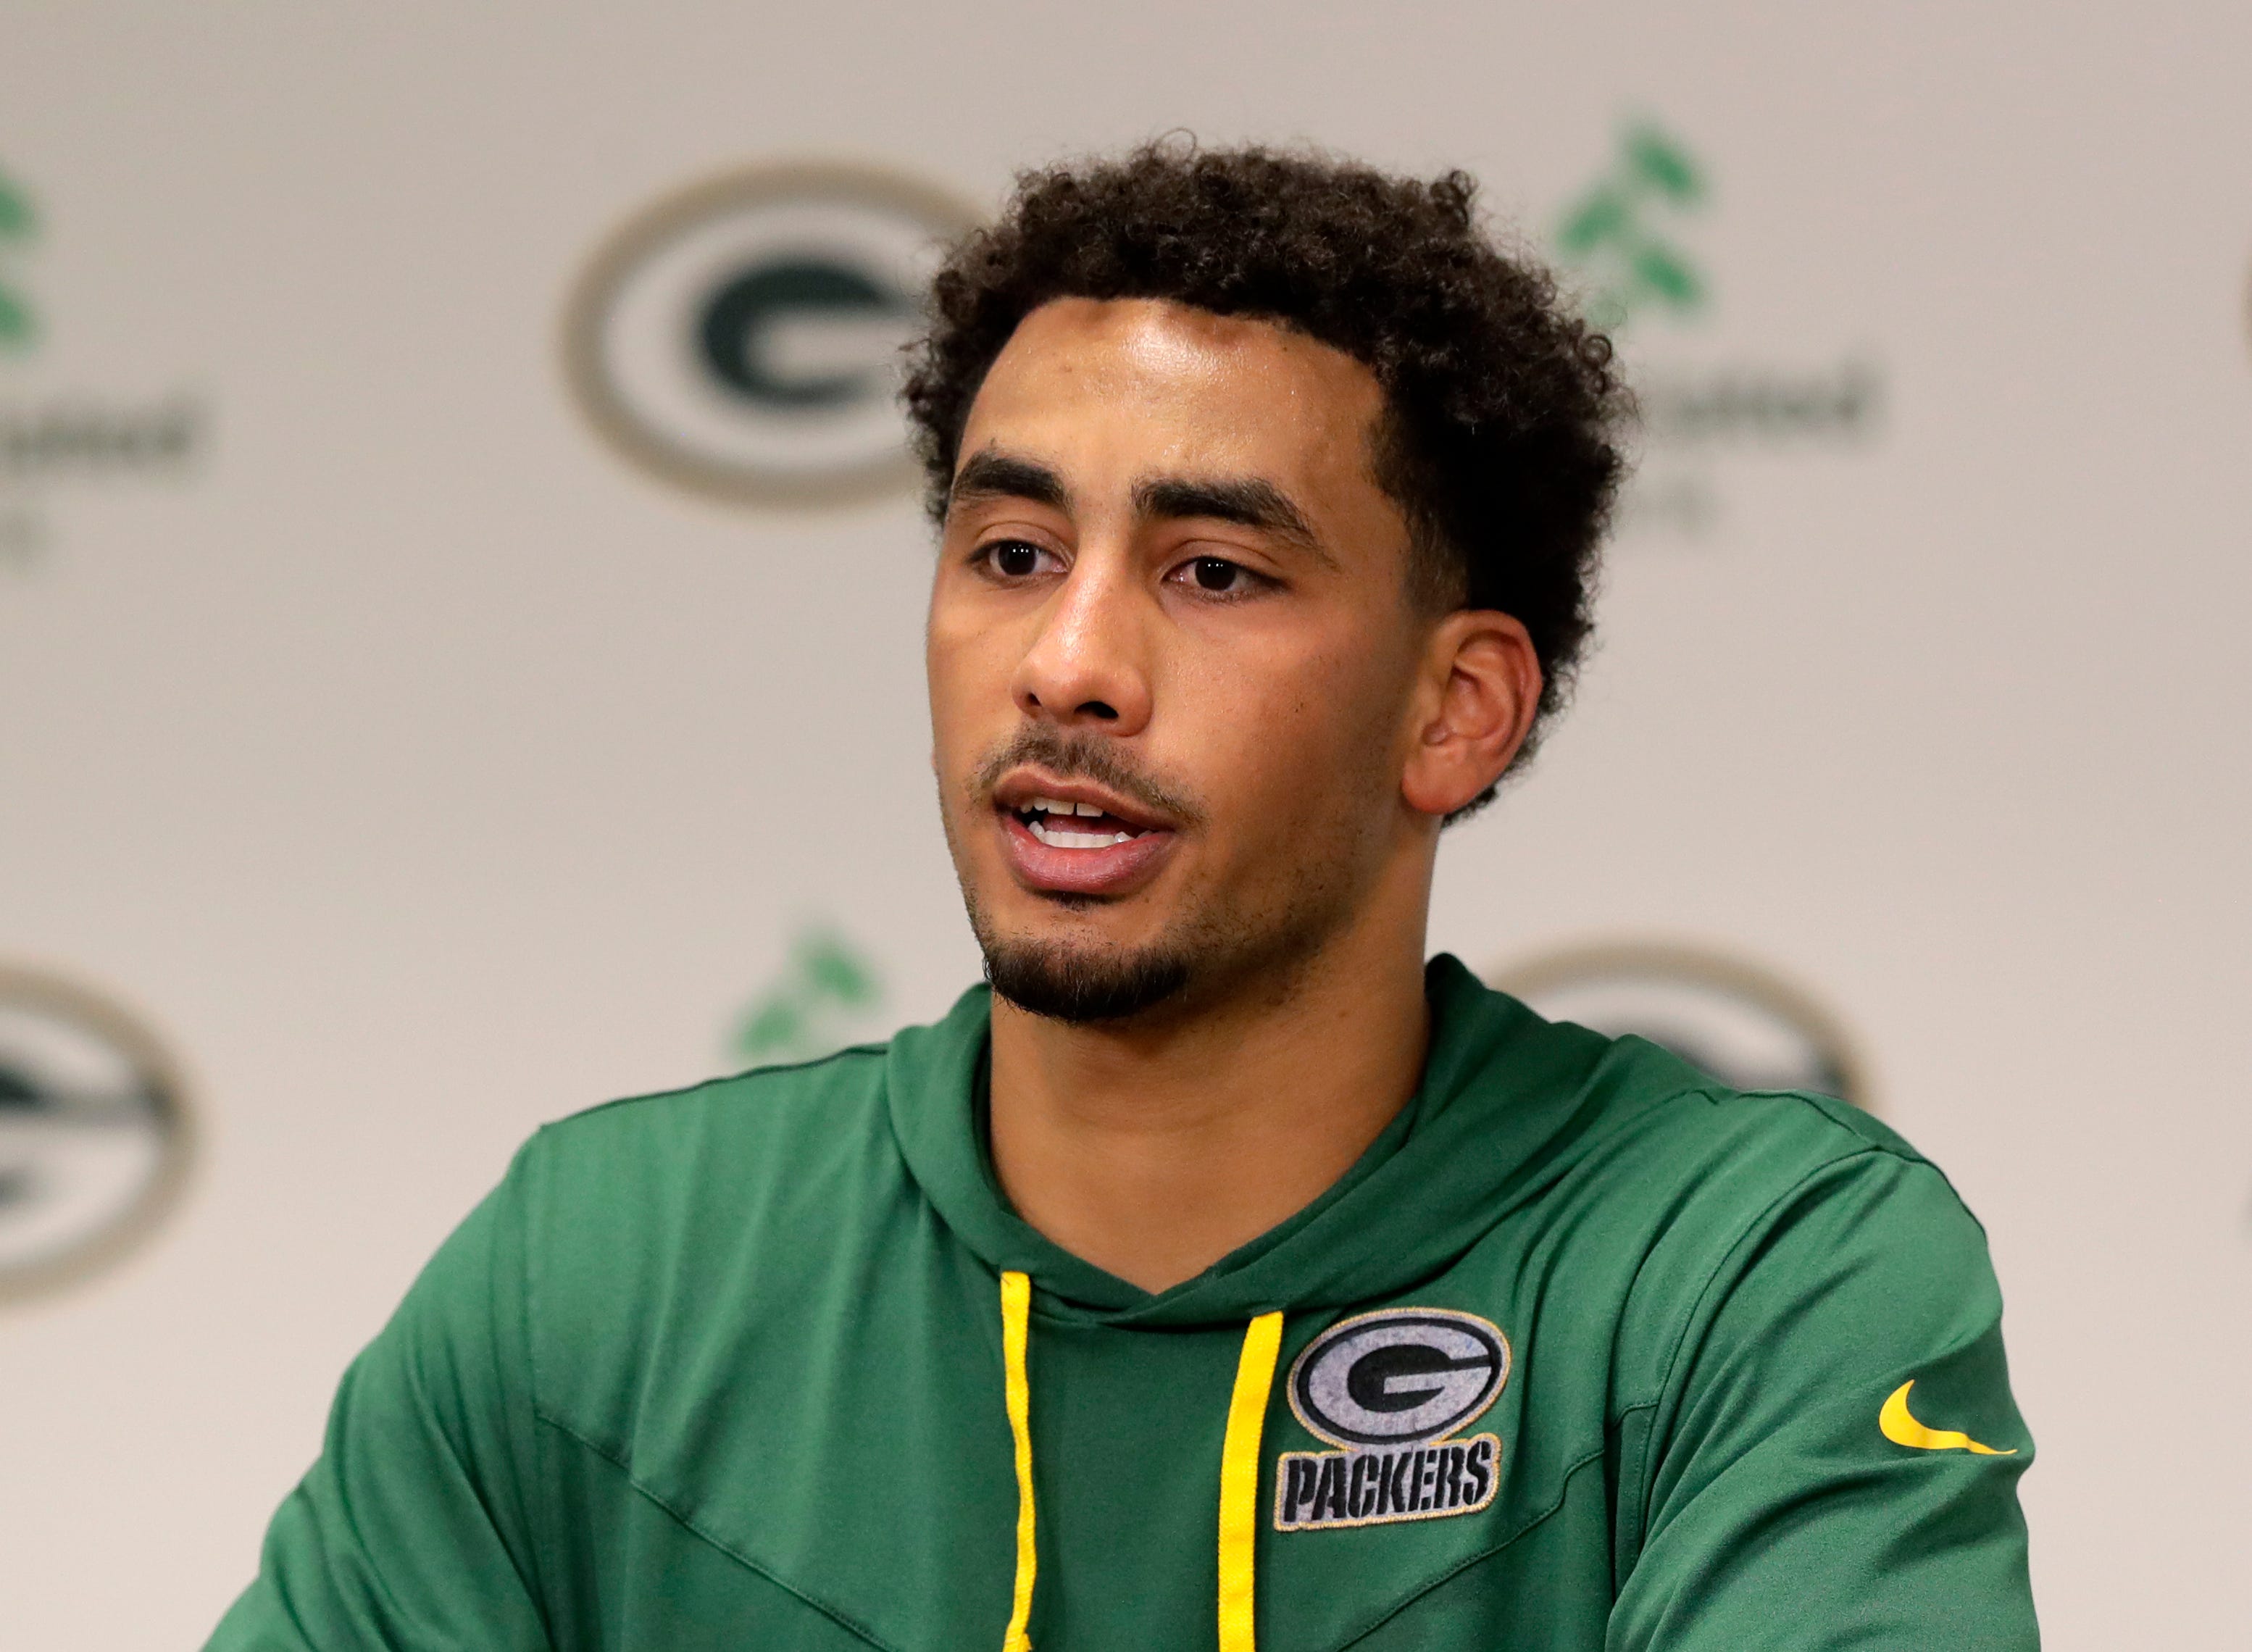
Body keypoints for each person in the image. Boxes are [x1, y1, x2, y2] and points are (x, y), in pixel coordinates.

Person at [207, 143, 2036, 1651]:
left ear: (1454, 709)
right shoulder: (603, 1270)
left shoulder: (1748, 1273)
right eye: (1010, 553)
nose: (1068, 664)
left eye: (1217, 572)